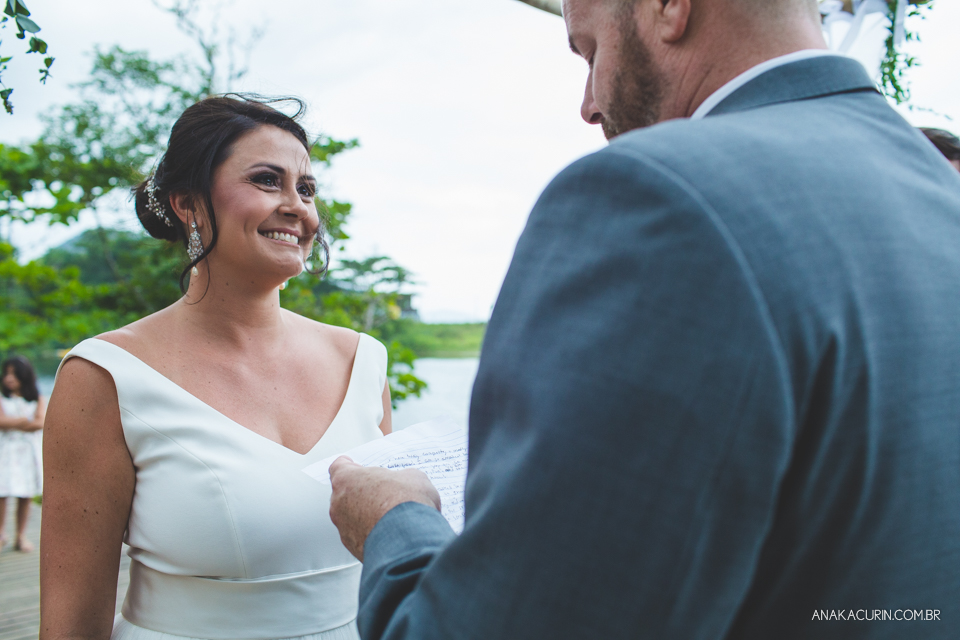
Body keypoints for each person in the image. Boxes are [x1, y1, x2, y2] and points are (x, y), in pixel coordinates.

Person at [329, 0, 960, 638]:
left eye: (591, 52)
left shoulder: (657, 194)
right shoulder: (941, 193)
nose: (588, 104)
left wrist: (396, 521)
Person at [40, 96, 392, 640]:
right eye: (266, 180)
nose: (297, 207)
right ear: (188, 204)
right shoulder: (105, 375)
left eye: (306, 188)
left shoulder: (362, 361)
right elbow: (72, 623)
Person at [0, 355, 46, 553]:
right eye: (6, 374)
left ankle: (20, 536)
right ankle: (1, 534)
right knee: (2, 493)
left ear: (24, 375)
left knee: (25, 494)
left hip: (28, 453)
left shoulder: (37, 398)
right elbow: (1, 422)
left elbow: (40, 422)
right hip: (5, 452)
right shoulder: (2, 398)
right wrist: (25, 421)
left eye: (14, 374)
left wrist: (13, 422)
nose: (9, 378)